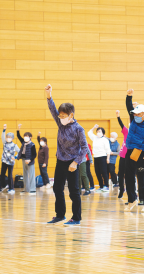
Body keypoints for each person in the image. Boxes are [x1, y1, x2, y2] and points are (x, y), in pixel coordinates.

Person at [45, 84, 89, 227]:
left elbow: (85, 148)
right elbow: (52, 109)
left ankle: (76, 218)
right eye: (60, 115)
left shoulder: (78, 129)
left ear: (71, 115)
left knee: (73, 191)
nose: (61, 117)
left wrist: (76, 162)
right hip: (60, 161)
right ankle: (60, 215)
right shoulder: (61, 123)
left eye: (64, 116)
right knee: (57, 188)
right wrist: (49, 95)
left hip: (73, 163)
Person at [123, 89, 144, 212]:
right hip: (129, 152)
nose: (135, 116)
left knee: (143, 179)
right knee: (129, 178)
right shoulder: (133, 119)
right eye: (135, 114)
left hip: (142, 154)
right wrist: (129, 96)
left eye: (138, 114)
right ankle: (132, 200)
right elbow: (128, 107)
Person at [88, 124, 111, 192]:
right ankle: (101, 186)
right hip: (96, 157)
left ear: (103, 133)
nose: (98, 132)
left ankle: (106, 186)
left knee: (104, 172)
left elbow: (108, 150)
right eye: (97, 131)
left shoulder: (105, 140)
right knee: (97, 172)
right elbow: (89, 133)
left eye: (100, 131)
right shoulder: (94, 138)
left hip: (103, 157)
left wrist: (108, 158)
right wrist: (94, 127)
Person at [17, 124, 37, 195]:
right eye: (24, 136)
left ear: (30, 137)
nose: (25, 138)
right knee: (25, 175)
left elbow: (35, 155)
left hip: (30, 161)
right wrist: (18, 129)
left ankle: (33, 189)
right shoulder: (23, 142)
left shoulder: (32, 145)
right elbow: (18, 136)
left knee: (31, 175)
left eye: (27, 136)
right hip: (23, 159)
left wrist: (30, 160)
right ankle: (26, 189)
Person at [0, 125, 20, 194]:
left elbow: (19, 152)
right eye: (7, 137)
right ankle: (3, 186)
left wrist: (15, 157)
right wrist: (4, 130)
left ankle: (11, 188)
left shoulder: (14, 145)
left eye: (9, 137)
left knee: (10, 175)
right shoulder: (4, 143)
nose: (8, 138)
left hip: (10, 162)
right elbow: (2, 137)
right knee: (2, 175)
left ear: (12, 138)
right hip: (4, 161)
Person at [116, 110, 128, 198]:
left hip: (130, 157)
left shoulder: (136, 134)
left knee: (128, 175)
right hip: (122, 156)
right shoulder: (126, 131)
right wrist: (118, 116)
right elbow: (121, 124)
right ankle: (121, 190)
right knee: (120, 174)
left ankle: (130, 190)